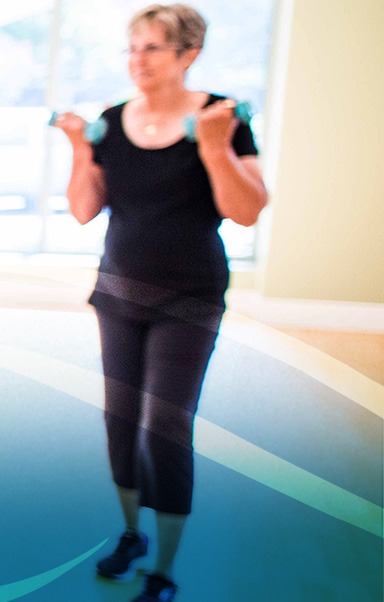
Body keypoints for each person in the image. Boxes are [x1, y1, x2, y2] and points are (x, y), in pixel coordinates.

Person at [51, 5, 267, 602]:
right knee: (119, 421)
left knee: (165, 427)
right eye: (132, 48)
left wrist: (215, 149)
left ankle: (164, 569)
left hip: (190, 298)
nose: (137, 61)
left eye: (151, 48)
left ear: (187, 54)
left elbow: (246, 211)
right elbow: (83, 208)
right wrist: (78, 148)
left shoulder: (221, 118)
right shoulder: (112, 120)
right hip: (117, 290)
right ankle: (130, 535)